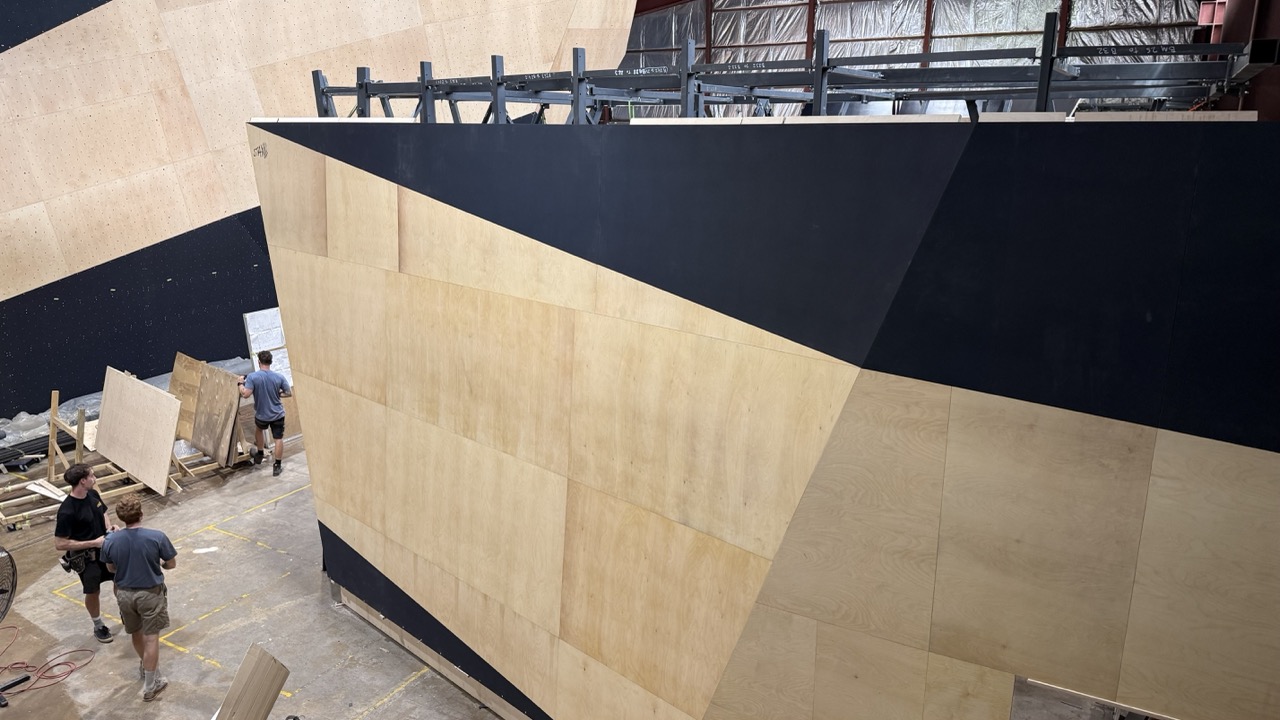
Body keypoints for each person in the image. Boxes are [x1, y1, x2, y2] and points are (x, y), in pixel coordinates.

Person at [102, 494, 177, 702]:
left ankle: (147, 669)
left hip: (124, 594)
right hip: (150, 594)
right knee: (151, 637)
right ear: (141, 514)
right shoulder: (156, 537)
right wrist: (159, 565)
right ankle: (150, 686)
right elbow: (171, 564)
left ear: (121, 517)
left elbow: (110, 568)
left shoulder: (110, 540)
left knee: (135, 632)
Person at [53, 463, 119, 644]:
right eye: (92, 476)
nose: (95, 478)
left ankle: (126, 611)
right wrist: (94, 542)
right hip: (87, 559)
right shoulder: (67, 511)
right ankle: (98, 625)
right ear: (83, 481)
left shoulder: (93, 494)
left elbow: (103, 511)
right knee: (93, 592)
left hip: (106, 551)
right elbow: (60, 543)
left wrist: (109, 527)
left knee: (119, 581)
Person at [238, 350, 292, 477]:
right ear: (271, 362)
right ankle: (277, 466)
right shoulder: (279, 377)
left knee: (259, 430)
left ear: (259, 362)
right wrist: (279, 393)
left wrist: (240, 383)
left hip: (262, 414)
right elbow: (289, 393)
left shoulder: (253, 377)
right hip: (278, 414)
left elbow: (245, 394)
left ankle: (260, 453)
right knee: (278, 438)